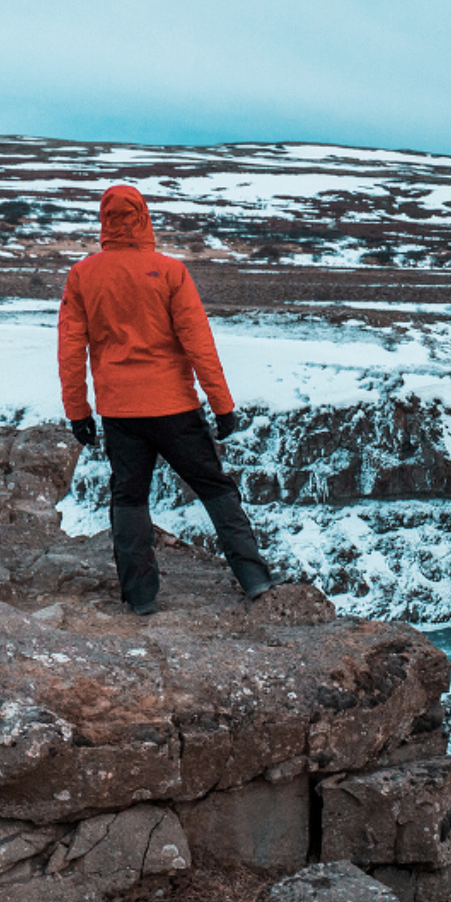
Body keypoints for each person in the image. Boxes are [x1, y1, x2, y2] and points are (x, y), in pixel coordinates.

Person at [57, 185, 274, 614]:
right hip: (175, 407)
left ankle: (140, 599)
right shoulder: (170, 272)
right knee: (214, 487)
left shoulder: (83, 275)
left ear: (104, 220)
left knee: (130, 498)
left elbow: (70, 351)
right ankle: (254, 578)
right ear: (143, 217)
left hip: (120, 412)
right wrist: (222, 406)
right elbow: (199, 344)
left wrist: (78, 413)